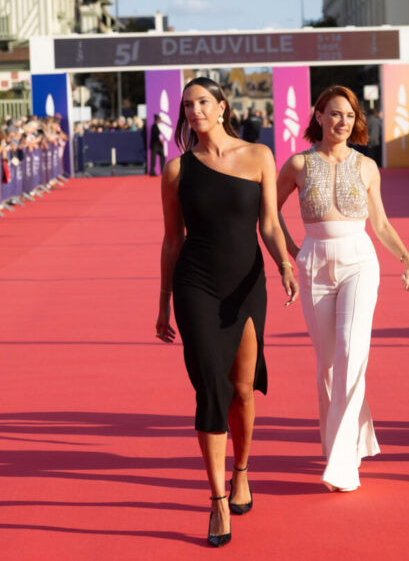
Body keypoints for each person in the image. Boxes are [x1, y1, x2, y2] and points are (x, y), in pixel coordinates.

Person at [155, 77, 298, 547]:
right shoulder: (177, 171)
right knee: (210, 388)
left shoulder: (258, 156)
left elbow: (271, 224)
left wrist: (283, 265)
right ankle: (217, 500)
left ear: (221, 107)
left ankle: (241, 471)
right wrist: (162, 303)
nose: (193, 110)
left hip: (246, 285)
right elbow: (173, 238)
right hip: (195, 284)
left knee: (241, 389)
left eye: (202, 102)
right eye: (187, 105)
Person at [276, 86, 409, 492]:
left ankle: (342, 463)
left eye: (349, 115)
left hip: (359, 260)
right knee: (327, 362)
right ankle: (350, 439)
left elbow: (382, 225)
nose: (342, 121)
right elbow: (267, 211)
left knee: (351, 352)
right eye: (334, 114)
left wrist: (407, 261)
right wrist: (290, 253)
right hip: (314, 263)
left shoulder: (368, 166)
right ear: (318, 116)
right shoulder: (299, 164)